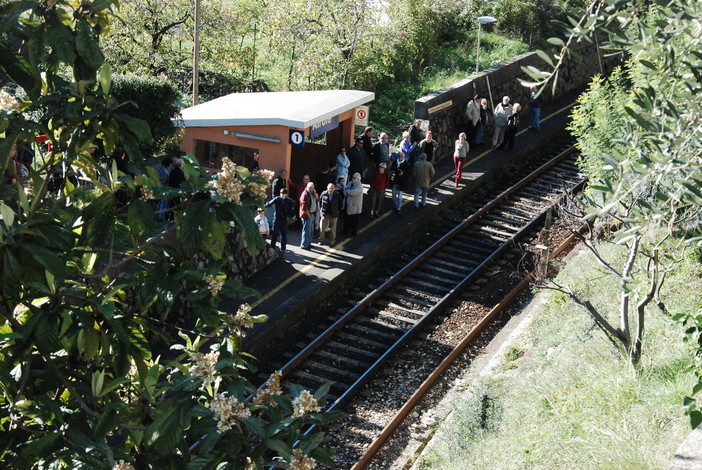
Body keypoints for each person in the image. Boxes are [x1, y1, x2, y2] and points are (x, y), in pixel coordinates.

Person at [299, 181, 319, 249]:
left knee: (311, 230)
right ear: (306, 187)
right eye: (310, 188)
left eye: (312, 188)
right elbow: (304, 206)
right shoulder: (304, 194)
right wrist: (309, 215)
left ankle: (308, 243)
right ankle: (304, 245)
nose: (311, 189)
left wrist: (316, 194)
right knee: (306, 230)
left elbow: (317, 200)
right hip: (307, 215)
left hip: (312, 214)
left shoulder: (312, 193)